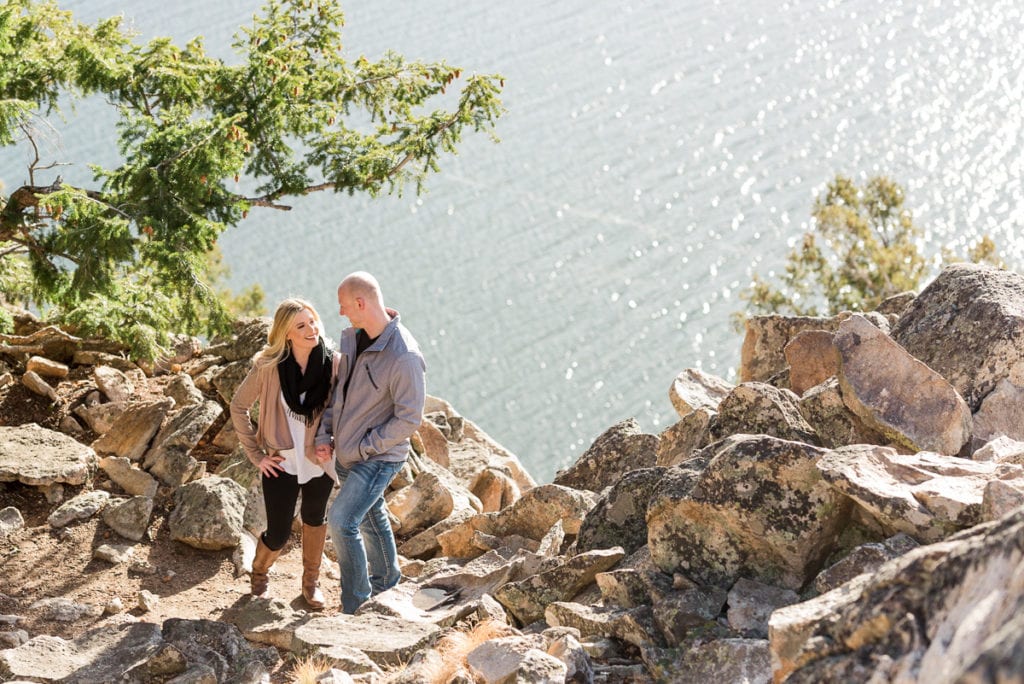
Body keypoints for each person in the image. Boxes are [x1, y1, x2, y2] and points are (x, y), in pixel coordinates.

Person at [315, 272, 426, 614]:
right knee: (371, 516)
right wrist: (325, 434)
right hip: (348, 451)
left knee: (341, 521)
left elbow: (410, 418)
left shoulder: (404, 355)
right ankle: (387, 587)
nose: (340, 313)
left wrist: (365, 446)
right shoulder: (355, 338)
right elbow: (341, 393)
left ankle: (355, 605)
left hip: (378, 457)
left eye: (344, 306)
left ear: (361, 303)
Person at [230, 298, 340, 609]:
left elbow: (340, 409)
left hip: (318, 460)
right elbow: (238, 407)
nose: (311, 329)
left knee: (315, 519)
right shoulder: (268, 366)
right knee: (278, 533)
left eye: (313, 321)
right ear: (286, 334)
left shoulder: (333, 363)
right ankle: (260, 573)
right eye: (301, 326)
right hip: (281, 461)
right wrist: (256, 455)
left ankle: (311, 582)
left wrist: (332, 441)